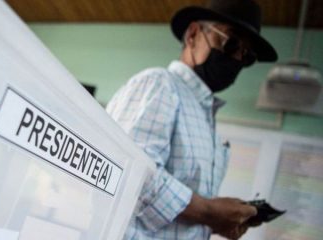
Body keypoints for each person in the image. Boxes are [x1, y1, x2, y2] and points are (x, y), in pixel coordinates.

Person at [106, 0, 278, 239]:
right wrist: (209, 212)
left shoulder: (205, 117)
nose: (237, 59)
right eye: (232, 43)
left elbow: (179, 212)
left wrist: (219, 220)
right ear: (194, 35)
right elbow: (125, 171)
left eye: (246, 56)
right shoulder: (160, 84)